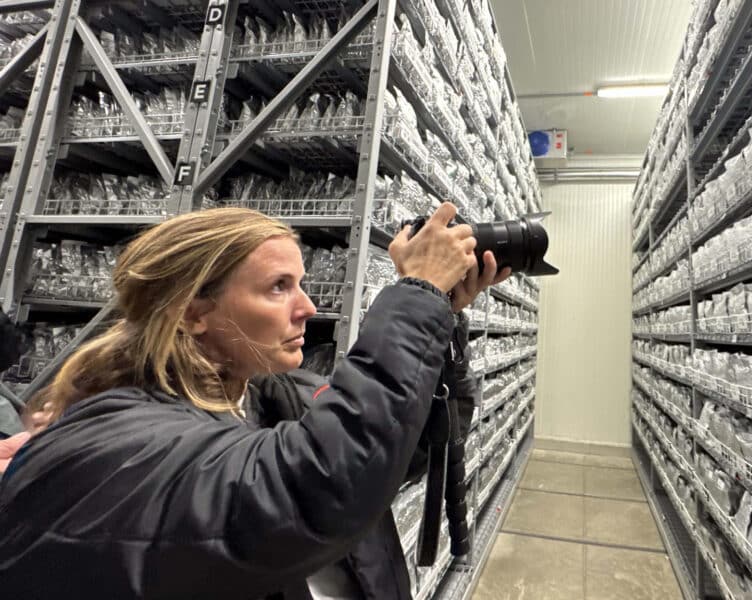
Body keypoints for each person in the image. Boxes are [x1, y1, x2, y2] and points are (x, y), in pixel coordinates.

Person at [0, 203, 509, 599]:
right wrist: (416, 296)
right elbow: (315, 488)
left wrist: (443, 320)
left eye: (302, 284)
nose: (308, 307)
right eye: (277, 288)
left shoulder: (278, 394)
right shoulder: (119, 438)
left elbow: (402, 451)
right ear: (193, 311)